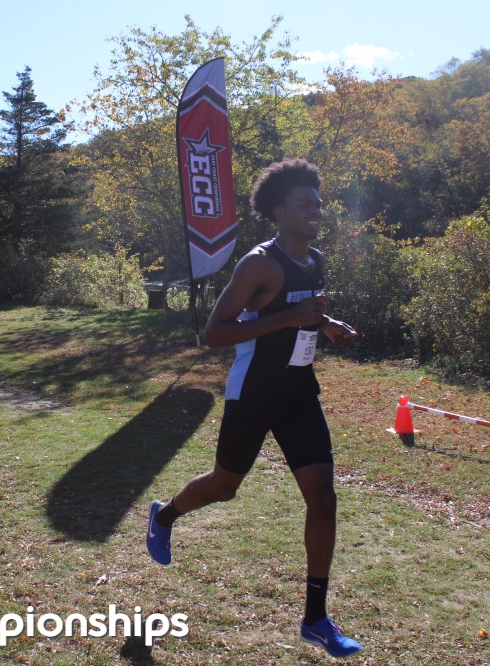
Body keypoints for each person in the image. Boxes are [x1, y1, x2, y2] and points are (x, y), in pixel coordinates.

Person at [146, 159, 362, 658]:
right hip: (254, 394)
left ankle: (315, 619)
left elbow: (302, 311)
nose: (315, 211)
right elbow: (215, 333)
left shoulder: (315, 260)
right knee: (224, 487)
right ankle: (166, 515)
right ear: (278, 211)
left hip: (298, 393)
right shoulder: (258, 264)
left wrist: (326, 324)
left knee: (323, 499)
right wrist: (291, 318)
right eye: (304, 205)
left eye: (318, 204)